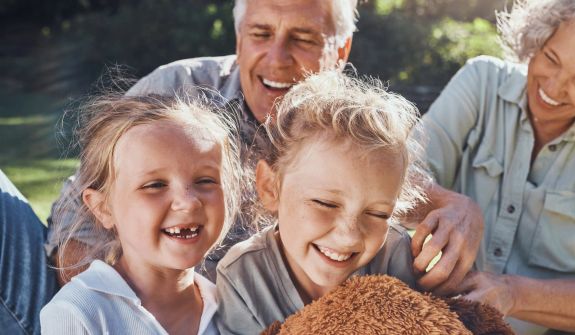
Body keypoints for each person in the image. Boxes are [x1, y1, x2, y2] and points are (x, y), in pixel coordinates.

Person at [50, 0, 482, 289]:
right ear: (238, 41)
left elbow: (386, 192)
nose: (277, 58)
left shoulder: (348, 127)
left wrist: (458, 206)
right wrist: (118, 309)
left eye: (304, 38)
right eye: (260, 34)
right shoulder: (174, 91)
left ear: (341, 49)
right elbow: (79, 217)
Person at [418, 0, 575, 334]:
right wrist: (451, 202)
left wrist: (512, 293)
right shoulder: (480, 82)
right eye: (551, 58)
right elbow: (396, 175)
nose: (553, 88)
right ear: (540, 36)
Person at [216, 70, 429, 334]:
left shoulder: (395, 254)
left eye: (378, 213)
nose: (349, 236)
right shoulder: (243, 276)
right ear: (271, 187)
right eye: (326, 203)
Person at [40, 92, 243, 334]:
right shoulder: (79, 312)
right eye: (155, 185)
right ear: (102, 207)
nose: (188, 203)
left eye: (205, 180)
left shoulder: (236, 311)